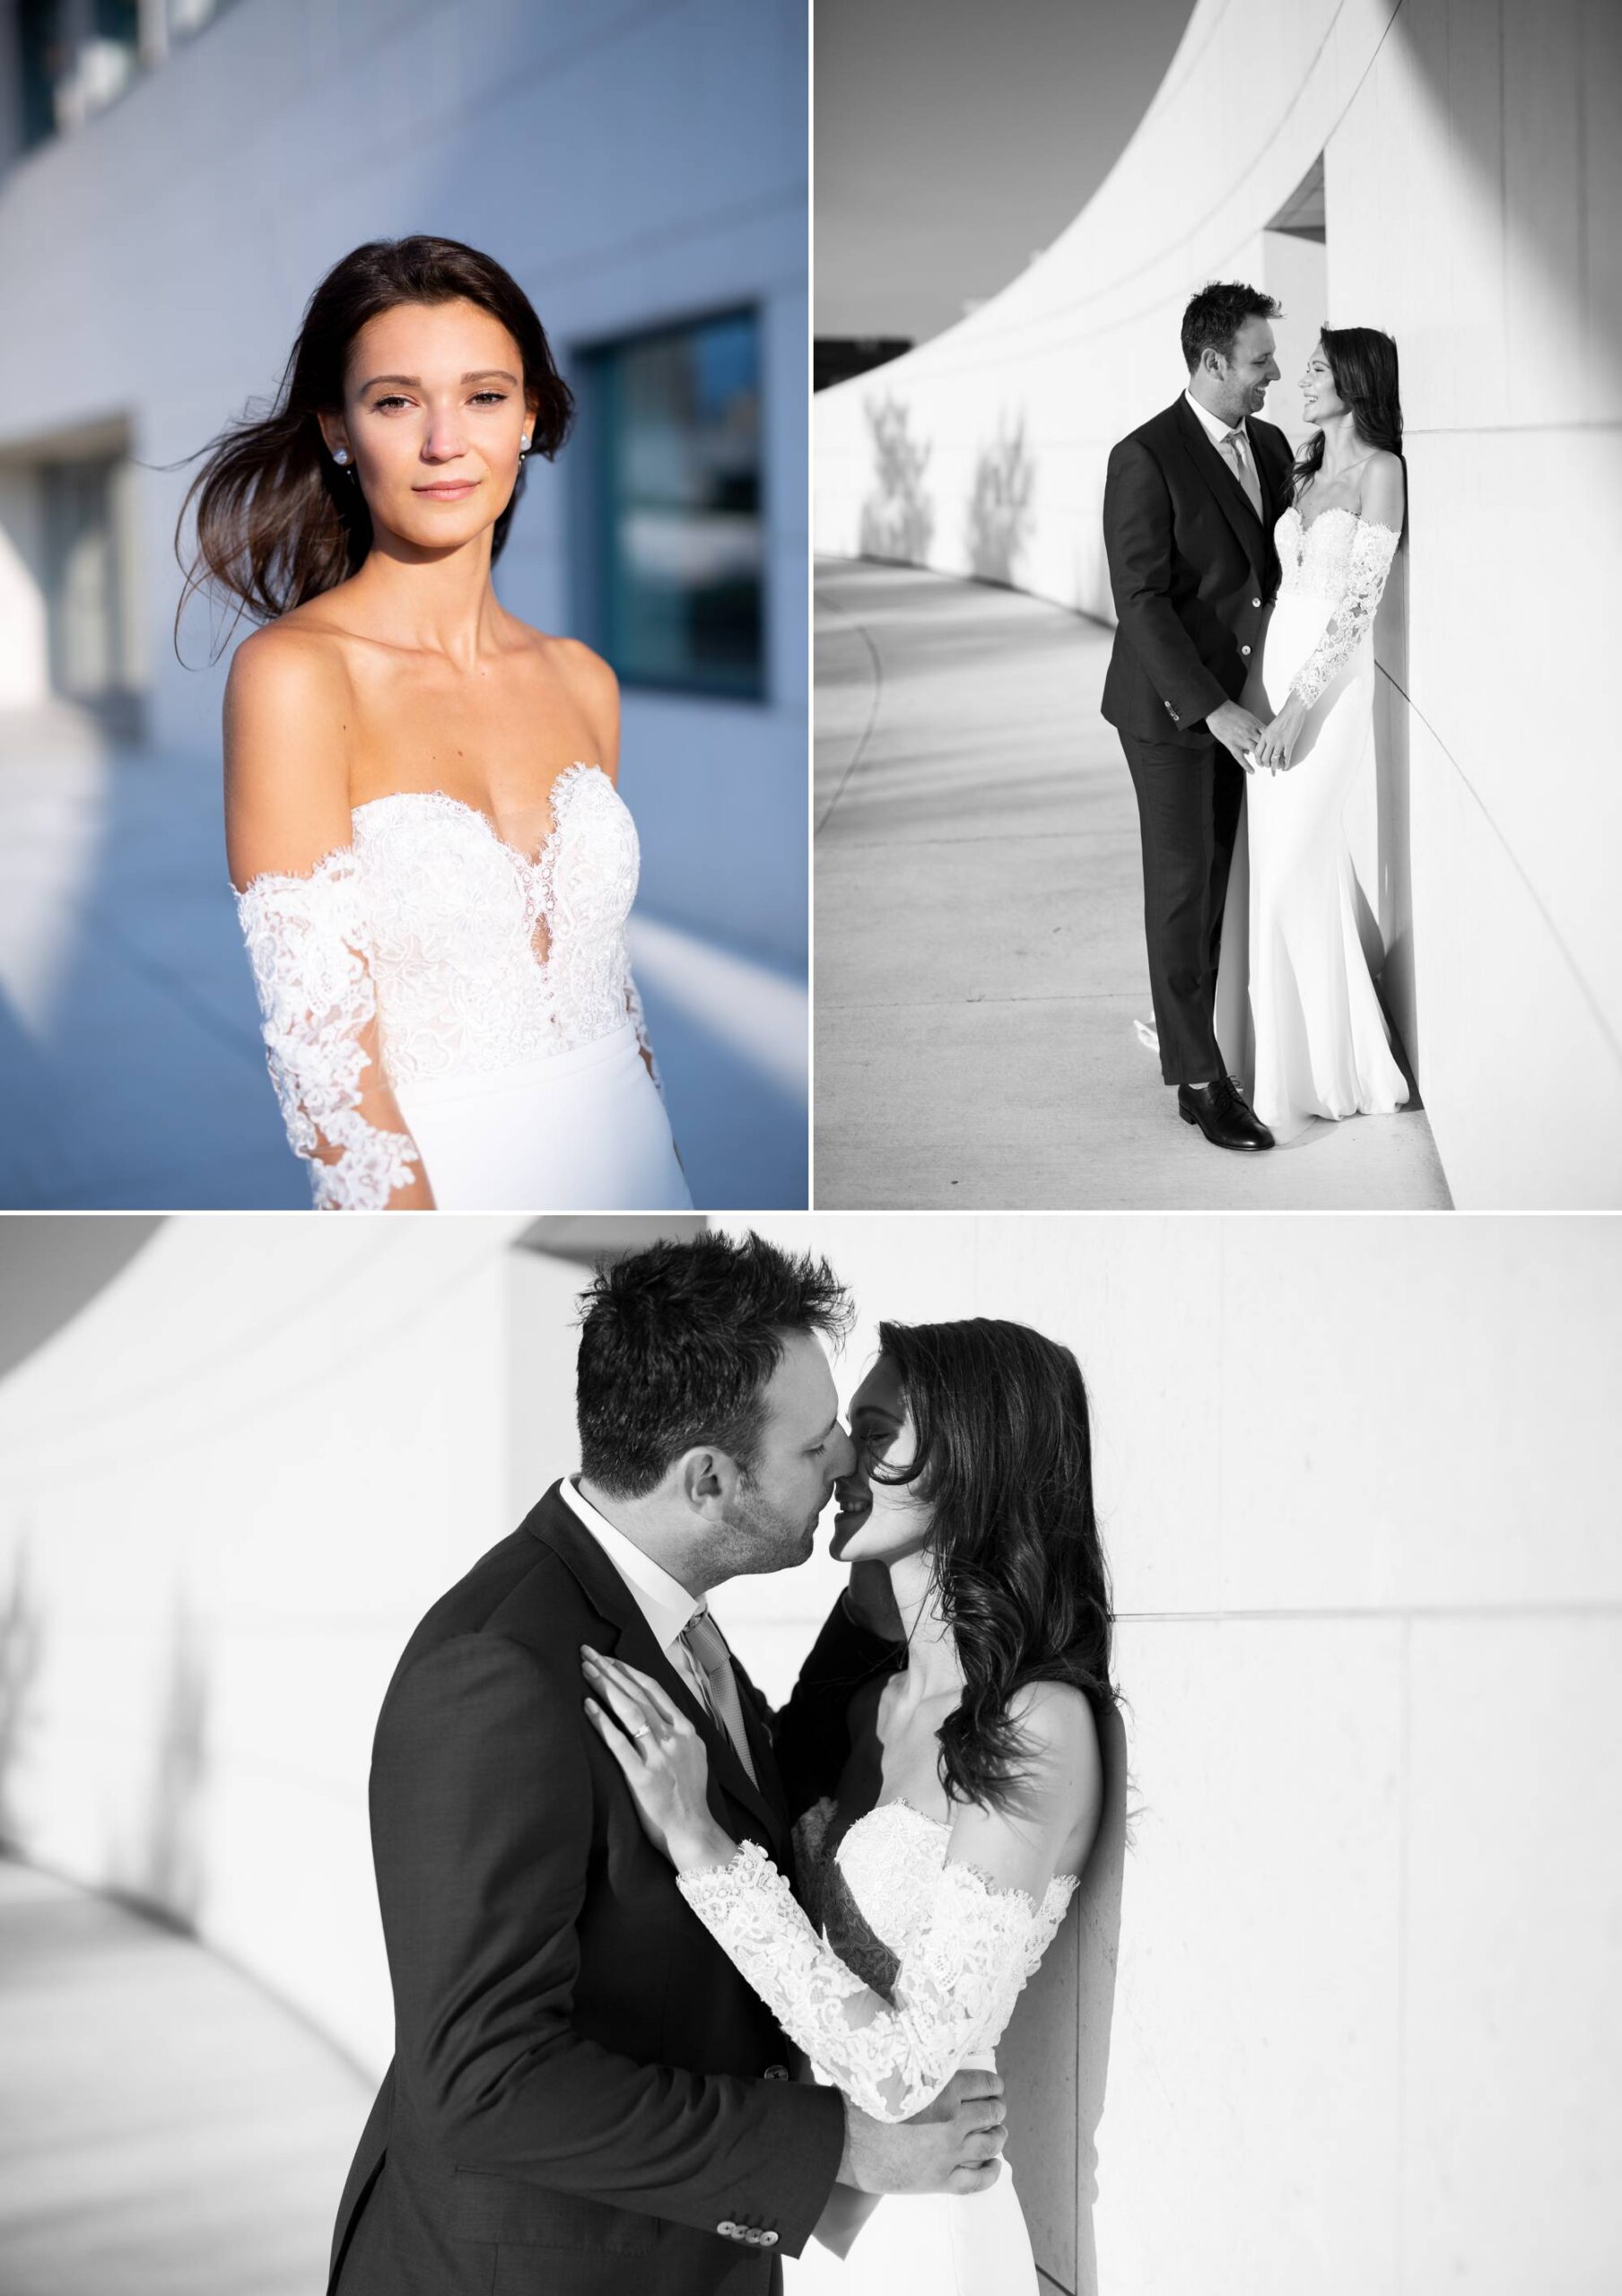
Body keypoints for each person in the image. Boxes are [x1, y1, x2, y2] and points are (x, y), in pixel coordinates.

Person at [327, 1232, 1008, 2296]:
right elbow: (485, 2081)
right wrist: (838, 2146)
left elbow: (765, 1786)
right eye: (818, 1442)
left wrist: (902, 1579)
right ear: (708, 1481)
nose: (842, 1459)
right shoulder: (498, 1672)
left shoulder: (656, 1609)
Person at [584, 1316, 1112, 2293]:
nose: (837, 1460)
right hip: (818, 2223)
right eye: (839, 1434)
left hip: (925, 2236)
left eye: (872, 1434)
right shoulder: (868, 1703)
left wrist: (700, 1847)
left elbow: (912, 2071)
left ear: (974, 1460)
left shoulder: (1034, 1721)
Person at [180, 235, 689, 1212]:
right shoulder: (294, 677)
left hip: (641, 1169)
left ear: (530, 417)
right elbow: (328, 1065)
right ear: (338, 428)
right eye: (395, 401)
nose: (444, 441)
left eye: (485, 397)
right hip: (444, 1187)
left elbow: (609, 988)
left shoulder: (584, 680)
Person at [1101, 281, 1291, 1152]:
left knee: (1225, 887)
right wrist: (1212, 708)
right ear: (1212, 361)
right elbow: (1139, 601)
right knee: (1182, 892)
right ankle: (1198, 1080)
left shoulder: (1276, 444)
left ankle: (1204, 1049)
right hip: (1170, 713)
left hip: (1252, 707)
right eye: (1258, 361)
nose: (1273, 374)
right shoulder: (1142, 455)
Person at [1214, 326, 1410, 1141]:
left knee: (1295, 868)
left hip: (1326, 693)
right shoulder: (1301, 471)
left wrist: (1298, 707)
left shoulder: (1381, 473)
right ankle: (1324, 1069)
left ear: (1357, 381)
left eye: (1319, 369)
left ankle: (1305, 1076)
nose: (1302, 380)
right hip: (1274, 680)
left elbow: (1359, 606)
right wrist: (1264, 694)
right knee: (1294, 875)